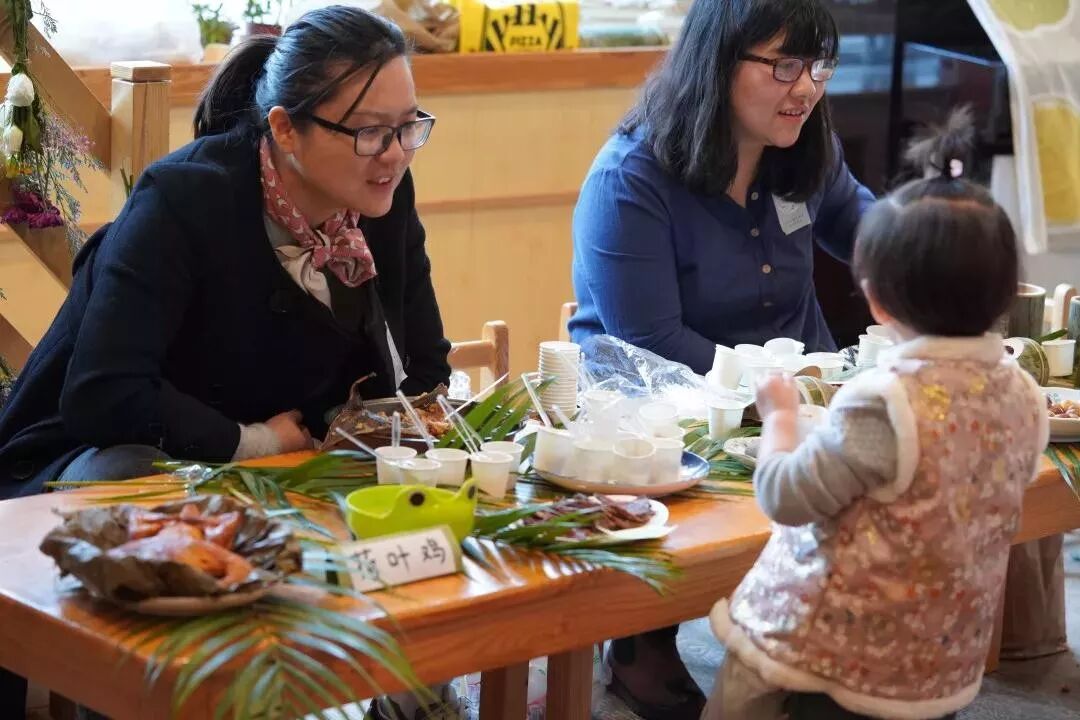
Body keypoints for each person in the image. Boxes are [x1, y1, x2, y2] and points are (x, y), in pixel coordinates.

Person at [0, 6, 450, 717]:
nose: (394, 154)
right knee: (135, 489)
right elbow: (103, 395)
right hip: (111, 458)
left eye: (408, 126)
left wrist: (377, 431)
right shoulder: (184, 198)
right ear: (284, 129)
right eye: (369, 131)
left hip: (279, 468)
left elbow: (424, 364)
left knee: (412, 483)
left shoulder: (379, 197)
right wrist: (255, 442)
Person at [568, 1, 874, 715]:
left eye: (818, 66)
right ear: (718, 63)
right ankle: (642, 640)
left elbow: (870, 231)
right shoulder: (632, 177)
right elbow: (652, 344)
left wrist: (934, 251)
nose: (806, 87)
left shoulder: (805, 150)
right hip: (657, 407)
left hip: (795, 400)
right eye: (784, 66)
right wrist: (783, 390)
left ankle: (818, 632)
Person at [702, 112, 1048, 720]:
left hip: (840, 650)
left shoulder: (884, 402)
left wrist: (781, 416)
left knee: (746, 673)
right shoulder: (1023, 393)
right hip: (939, 653)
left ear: (878, 301)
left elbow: (786, 497)